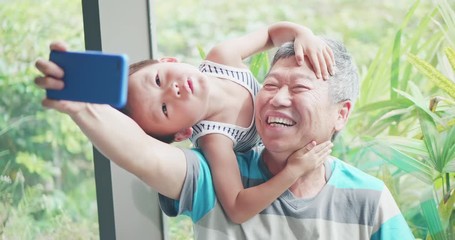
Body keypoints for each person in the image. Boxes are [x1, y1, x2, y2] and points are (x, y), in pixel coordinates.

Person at [35, 35, 415, 238]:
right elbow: (142, 153)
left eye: (299, 88)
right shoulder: (213, 174)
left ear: (341, 114)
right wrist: (84, 108)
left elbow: (270, 31)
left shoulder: (370, 200)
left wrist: (303, 34)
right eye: (270, 84)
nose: (278, 98)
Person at [36, 21, 334, 224]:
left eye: (157, 80)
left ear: (168, 62)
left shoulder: (222, 57)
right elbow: (237, 207)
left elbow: (270, 34)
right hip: (287, 141)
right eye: (165, 108)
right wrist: (292, 172)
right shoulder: (216, 140)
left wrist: (302, 33)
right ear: (182, 133)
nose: (172, 91)